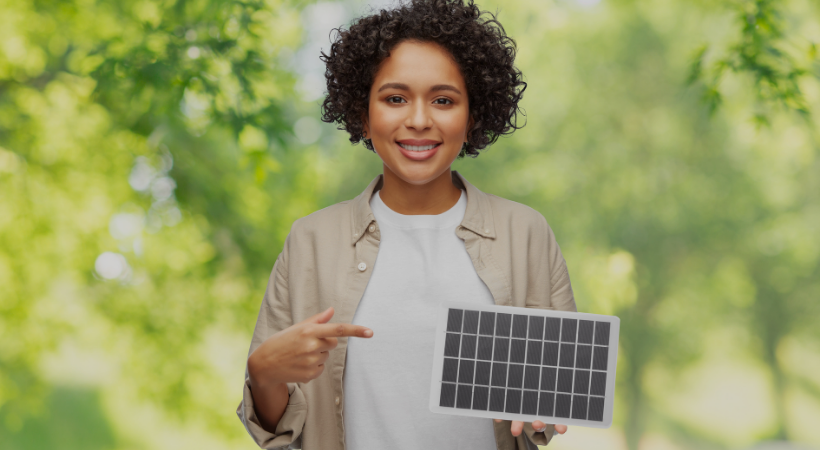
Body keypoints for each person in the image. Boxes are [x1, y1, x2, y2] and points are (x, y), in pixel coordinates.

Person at [236, 0, 576, 448]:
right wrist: (263, 373)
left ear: (473, 115)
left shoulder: (526, 234)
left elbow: (552, 410)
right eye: (395, 98)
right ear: (363, 112)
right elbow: (277, 429)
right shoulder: (310, 241)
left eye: (443, 100)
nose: (418, 120)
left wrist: (542, 413)